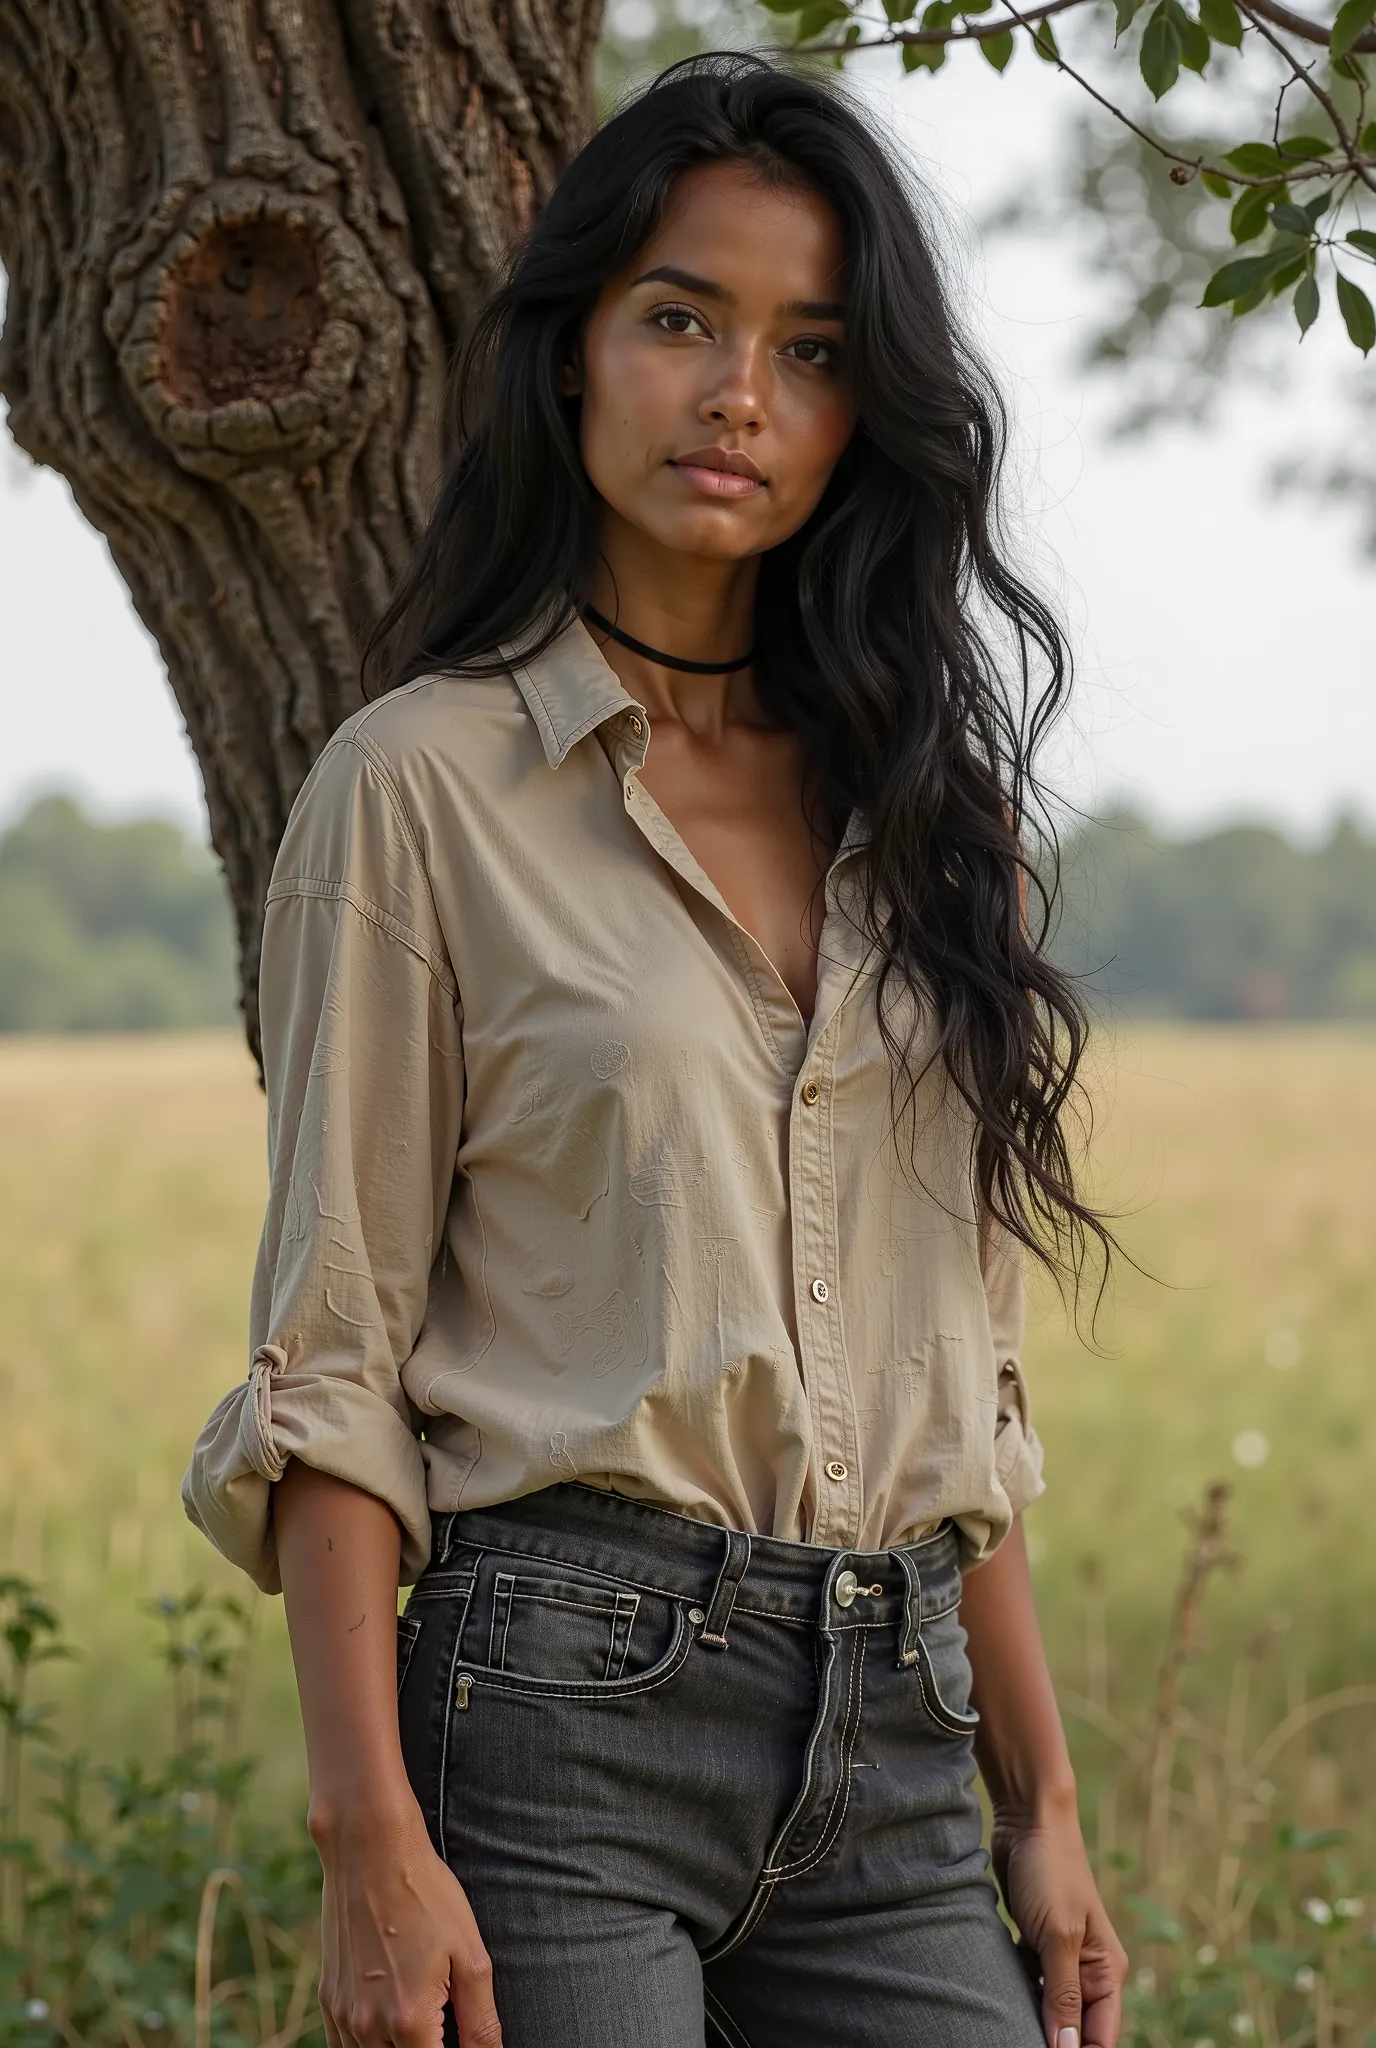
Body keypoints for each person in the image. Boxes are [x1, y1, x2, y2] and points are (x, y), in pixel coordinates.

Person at [184, 51, 1129, 2048]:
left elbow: (956, 1383)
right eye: (682, 321)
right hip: (552, 1717)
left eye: (805, 349)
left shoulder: (937, 828)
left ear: (860, 413)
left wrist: (1038, 1808)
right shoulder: (417, 788)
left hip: (896, 1747)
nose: (736, 398)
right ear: (573, 352)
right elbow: (332, 1360)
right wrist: (369, 1833)